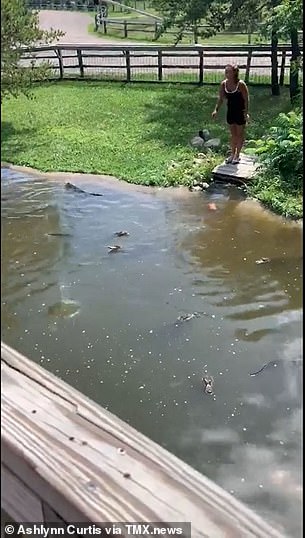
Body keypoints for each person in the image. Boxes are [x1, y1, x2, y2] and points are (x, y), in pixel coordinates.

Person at [212, 64, 249, 164]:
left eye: (228, 71)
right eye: (225, 71)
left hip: (240, 111)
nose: (226, 73)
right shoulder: (223, 84)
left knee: (239, 134)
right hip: (231, 111)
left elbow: (246, 99)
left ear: (234, 73)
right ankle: (232, 154)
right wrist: (216, 110)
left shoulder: (241, 84)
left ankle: (237, 155)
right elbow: (220, 98)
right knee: (233, 134)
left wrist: (246, 112)